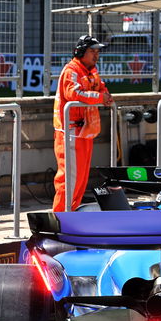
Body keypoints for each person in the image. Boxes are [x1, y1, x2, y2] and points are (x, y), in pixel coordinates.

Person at [52, 35, 112, 212]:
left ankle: (71, 214)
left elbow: (102, 88)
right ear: (81, 52)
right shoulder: (72, 70)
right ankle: (59, 218)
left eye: (97, 51)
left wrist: (105, 96)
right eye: (92, 51)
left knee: (80, 179)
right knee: (68, 180)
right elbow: (75, 94)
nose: (96, 55)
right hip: (69, 132)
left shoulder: (91, 70)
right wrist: (101, 98)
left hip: (84, 132)